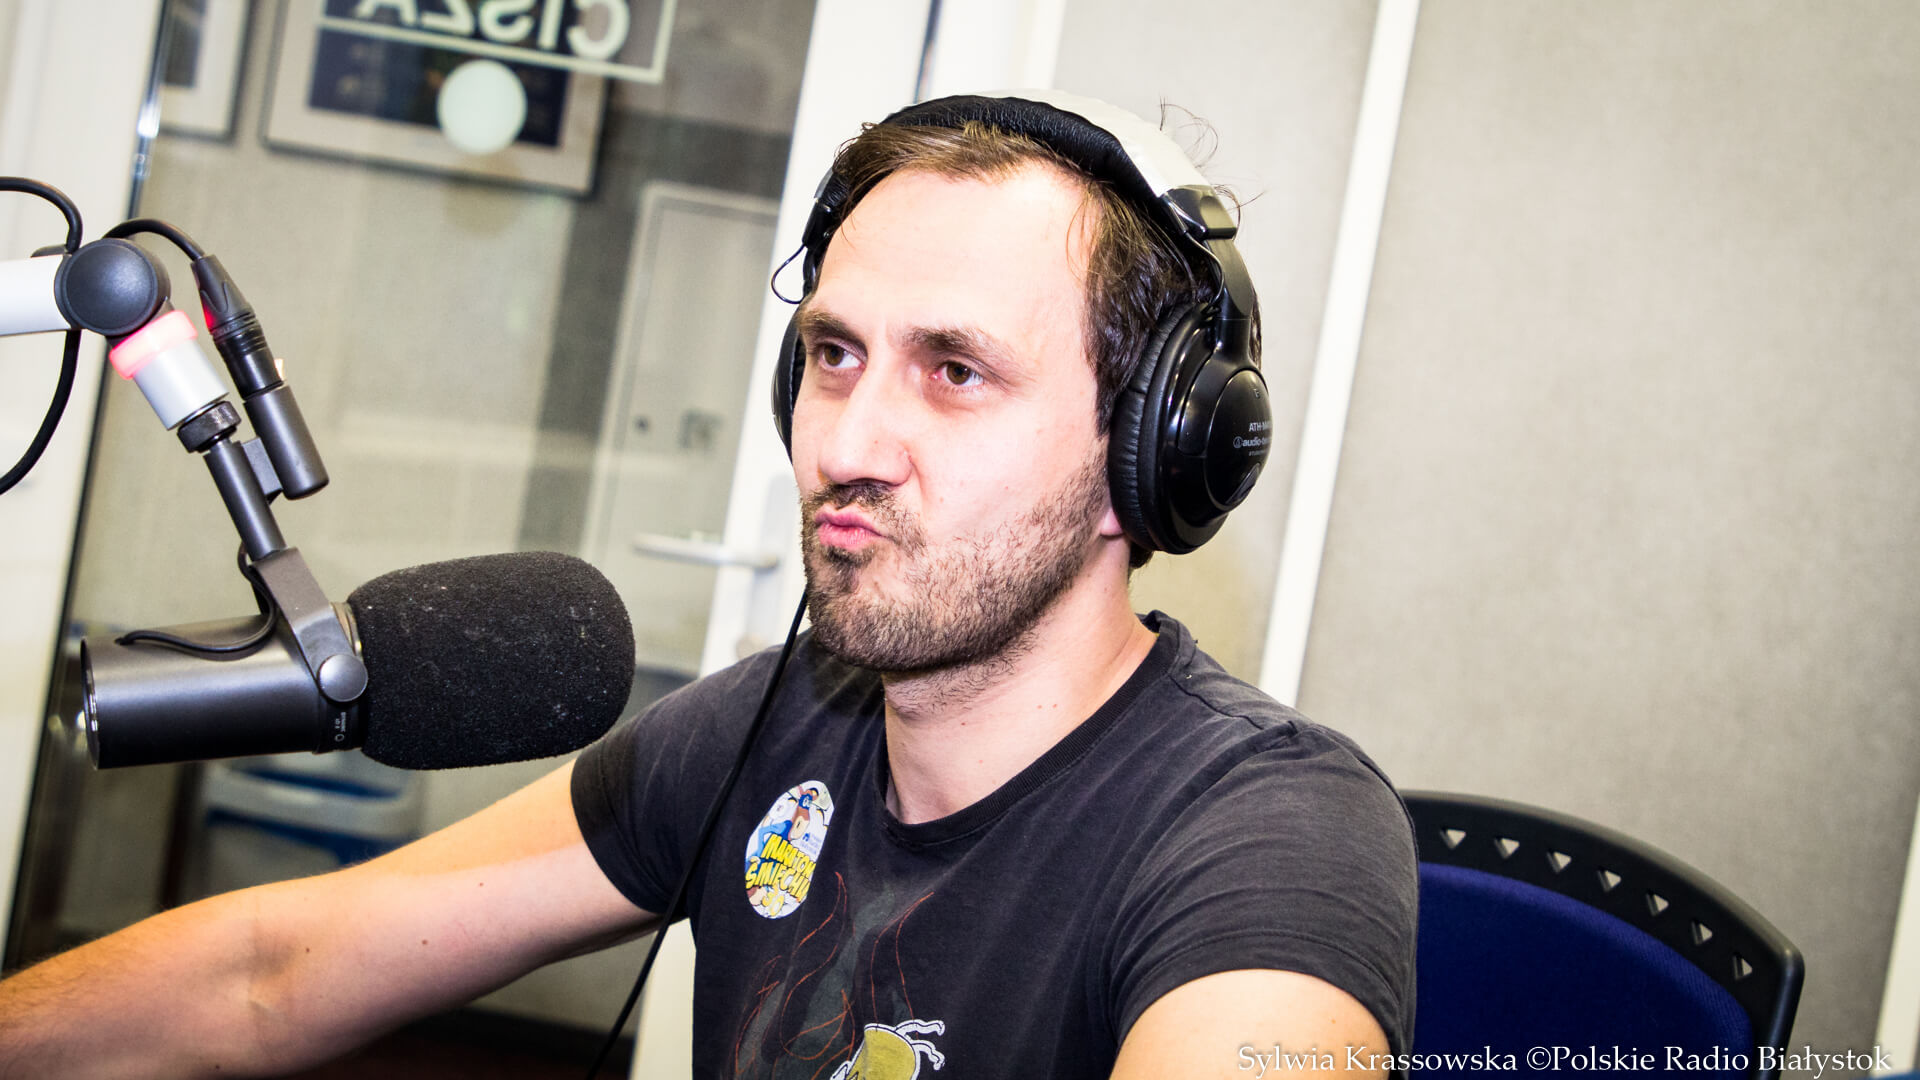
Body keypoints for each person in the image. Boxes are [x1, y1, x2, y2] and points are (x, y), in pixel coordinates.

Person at [0, 91, 1417, 1078]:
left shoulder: (1270, 830)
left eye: (956, 370)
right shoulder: (773, 728)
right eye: (835, 356)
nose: (847, 445)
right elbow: (269, 973)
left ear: (1154, 455)